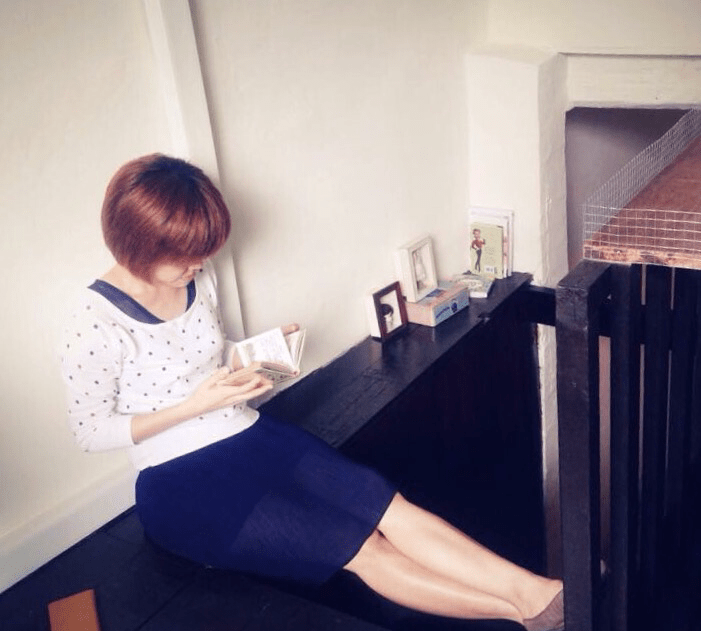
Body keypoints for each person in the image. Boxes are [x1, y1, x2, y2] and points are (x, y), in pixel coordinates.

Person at [60, 154, 563, 631]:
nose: (198, 266)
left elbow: (208, 358)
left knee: (391, 508)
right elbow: (91, 431)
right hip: (176, 480)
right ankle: (523, 613)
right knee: (363, 548)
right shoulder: (92, 320)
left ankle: (540, 593)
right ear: (137, 244)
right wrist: (194, 406)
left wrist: (255, 355)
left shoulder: (198, 278)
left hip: (246, 434)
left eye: (201, 255)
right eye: (185, 259)